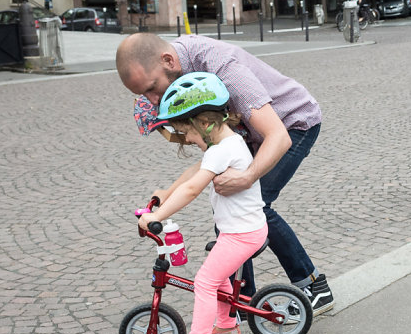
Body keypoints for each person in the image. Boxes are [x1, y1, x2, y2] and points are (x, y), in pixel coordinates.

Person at [117, 32, 335, 315]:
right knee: (229, 216)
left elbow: (278, 136)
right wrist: (168, 192)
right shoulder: (178, 75)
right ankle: (242, 300)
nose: (154, 100)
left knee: (255, 205)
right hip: (248, 137)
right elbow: (209, 162)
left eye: (152, 88)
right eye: (143, 95)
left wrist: (247, 177)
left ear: (168, 60)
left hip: (291, 124)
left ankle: (313, 286)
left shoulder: (221, 65)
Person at [138, 72, 267, 334]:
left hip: (241, 234)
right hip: (240, 229)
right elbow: (192, 174)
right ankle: (226, 326)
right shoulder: (224, 145)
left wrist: (156, 216)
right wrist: (166, 192)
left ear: (206, 124)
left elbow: (193, 188)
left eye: (190, 134)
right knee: (217, 276)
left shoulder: (223, 150)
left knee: (205, 281)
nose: (191, 140)